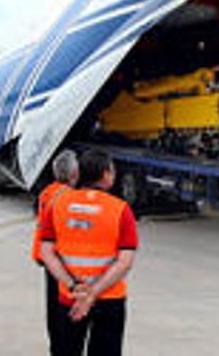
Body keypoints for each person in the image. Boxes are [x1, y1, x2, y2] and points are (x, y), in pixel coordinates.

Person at [40, 149, 138, 356]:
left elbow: (47, 253)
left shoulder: (56, 204)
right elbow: (125, 262)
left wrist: (75, 287)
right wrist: (92, 293)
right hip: (109, 298)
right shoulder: (121, 210)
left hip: (70, 297)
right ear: (106, 175)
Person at [31, 149, 79, 355]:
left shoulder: (47, 192)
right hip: (62, 259)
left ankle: (56, 348)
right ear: (74, 174)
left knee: (52, 307)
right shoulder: (68, 197)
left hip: (46, 257)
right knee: (66, 309)